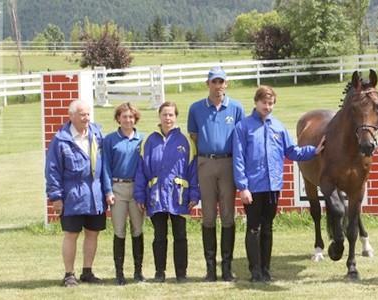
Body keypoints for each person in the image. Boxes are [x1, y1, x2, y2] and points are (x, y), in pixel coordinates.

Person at [233, 85, 323, 283]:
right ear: (256, 102)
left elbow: (291, 151)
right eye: (264, 103)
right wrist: (243, 187)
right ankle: (255, 271)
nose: (267, 107)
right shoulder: (243, 127)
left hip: (273, 186)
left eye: (271, 103)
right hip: (253, 187)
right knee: (253, 228)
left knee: (267, 228)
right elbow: (238, 159)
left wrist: (313, 151)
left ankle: (266, 270)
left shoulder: (278, 127)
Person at [188, 66, 245, 282]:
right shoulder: (196, 108)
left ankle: (227, 268)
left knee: (228, 215)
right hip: (206, 163)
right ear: (208, 84)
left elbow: (241, 138)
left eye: (221, 81)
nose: (218, 85)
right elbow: (194, 136)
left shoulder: (236, 108)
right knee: (209, 216)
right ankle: (210, 269)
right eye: (214, 81)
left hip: (228, 163)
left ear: (226, 84)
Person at [45, 100, 110, 287]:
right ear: (71, 116)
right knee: (71, 234)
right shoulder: (60, 140)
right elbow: (52, 170)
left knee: (92, 234)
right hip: (72, 196)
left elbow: (105, 166)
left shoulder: (97, 135)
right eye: (82, 114)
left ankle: (87, 272)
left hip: (95, 196)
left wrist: (107, 191)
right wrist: (56, 197)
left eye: (88, 114)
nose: (86, 118)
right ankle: (69, 274)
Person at [134, 101, 200, 283]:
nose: (168, 118)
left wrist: (194, 194)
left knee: (180, 236)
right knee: (159, 236)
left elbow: (193, 170)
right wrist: (140, 195)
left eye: (171, 115)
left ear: (176, 117)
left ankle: (181, 273)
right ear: (159, 116)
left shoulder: (186, 141)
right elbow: (141, 171)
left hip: (179, 197)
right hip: (156, 196)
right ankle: (159, 272)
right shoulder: (149, 141)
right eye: (164, 114)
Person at [102, 102, 146, 285]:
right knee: (119, 230)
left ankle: (138, 271)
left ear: (135, 118)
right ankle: (119, 273)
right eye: (124, 116)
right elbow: (105, 167)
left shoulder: (142, 139)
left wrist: (144, 191)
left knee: (137, 229)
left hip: (136, 188)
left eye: (131, 117)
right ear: (118, 119)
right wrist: (108, 191)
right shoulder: (110, 140)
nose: (128, 120)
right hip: (117, 188)